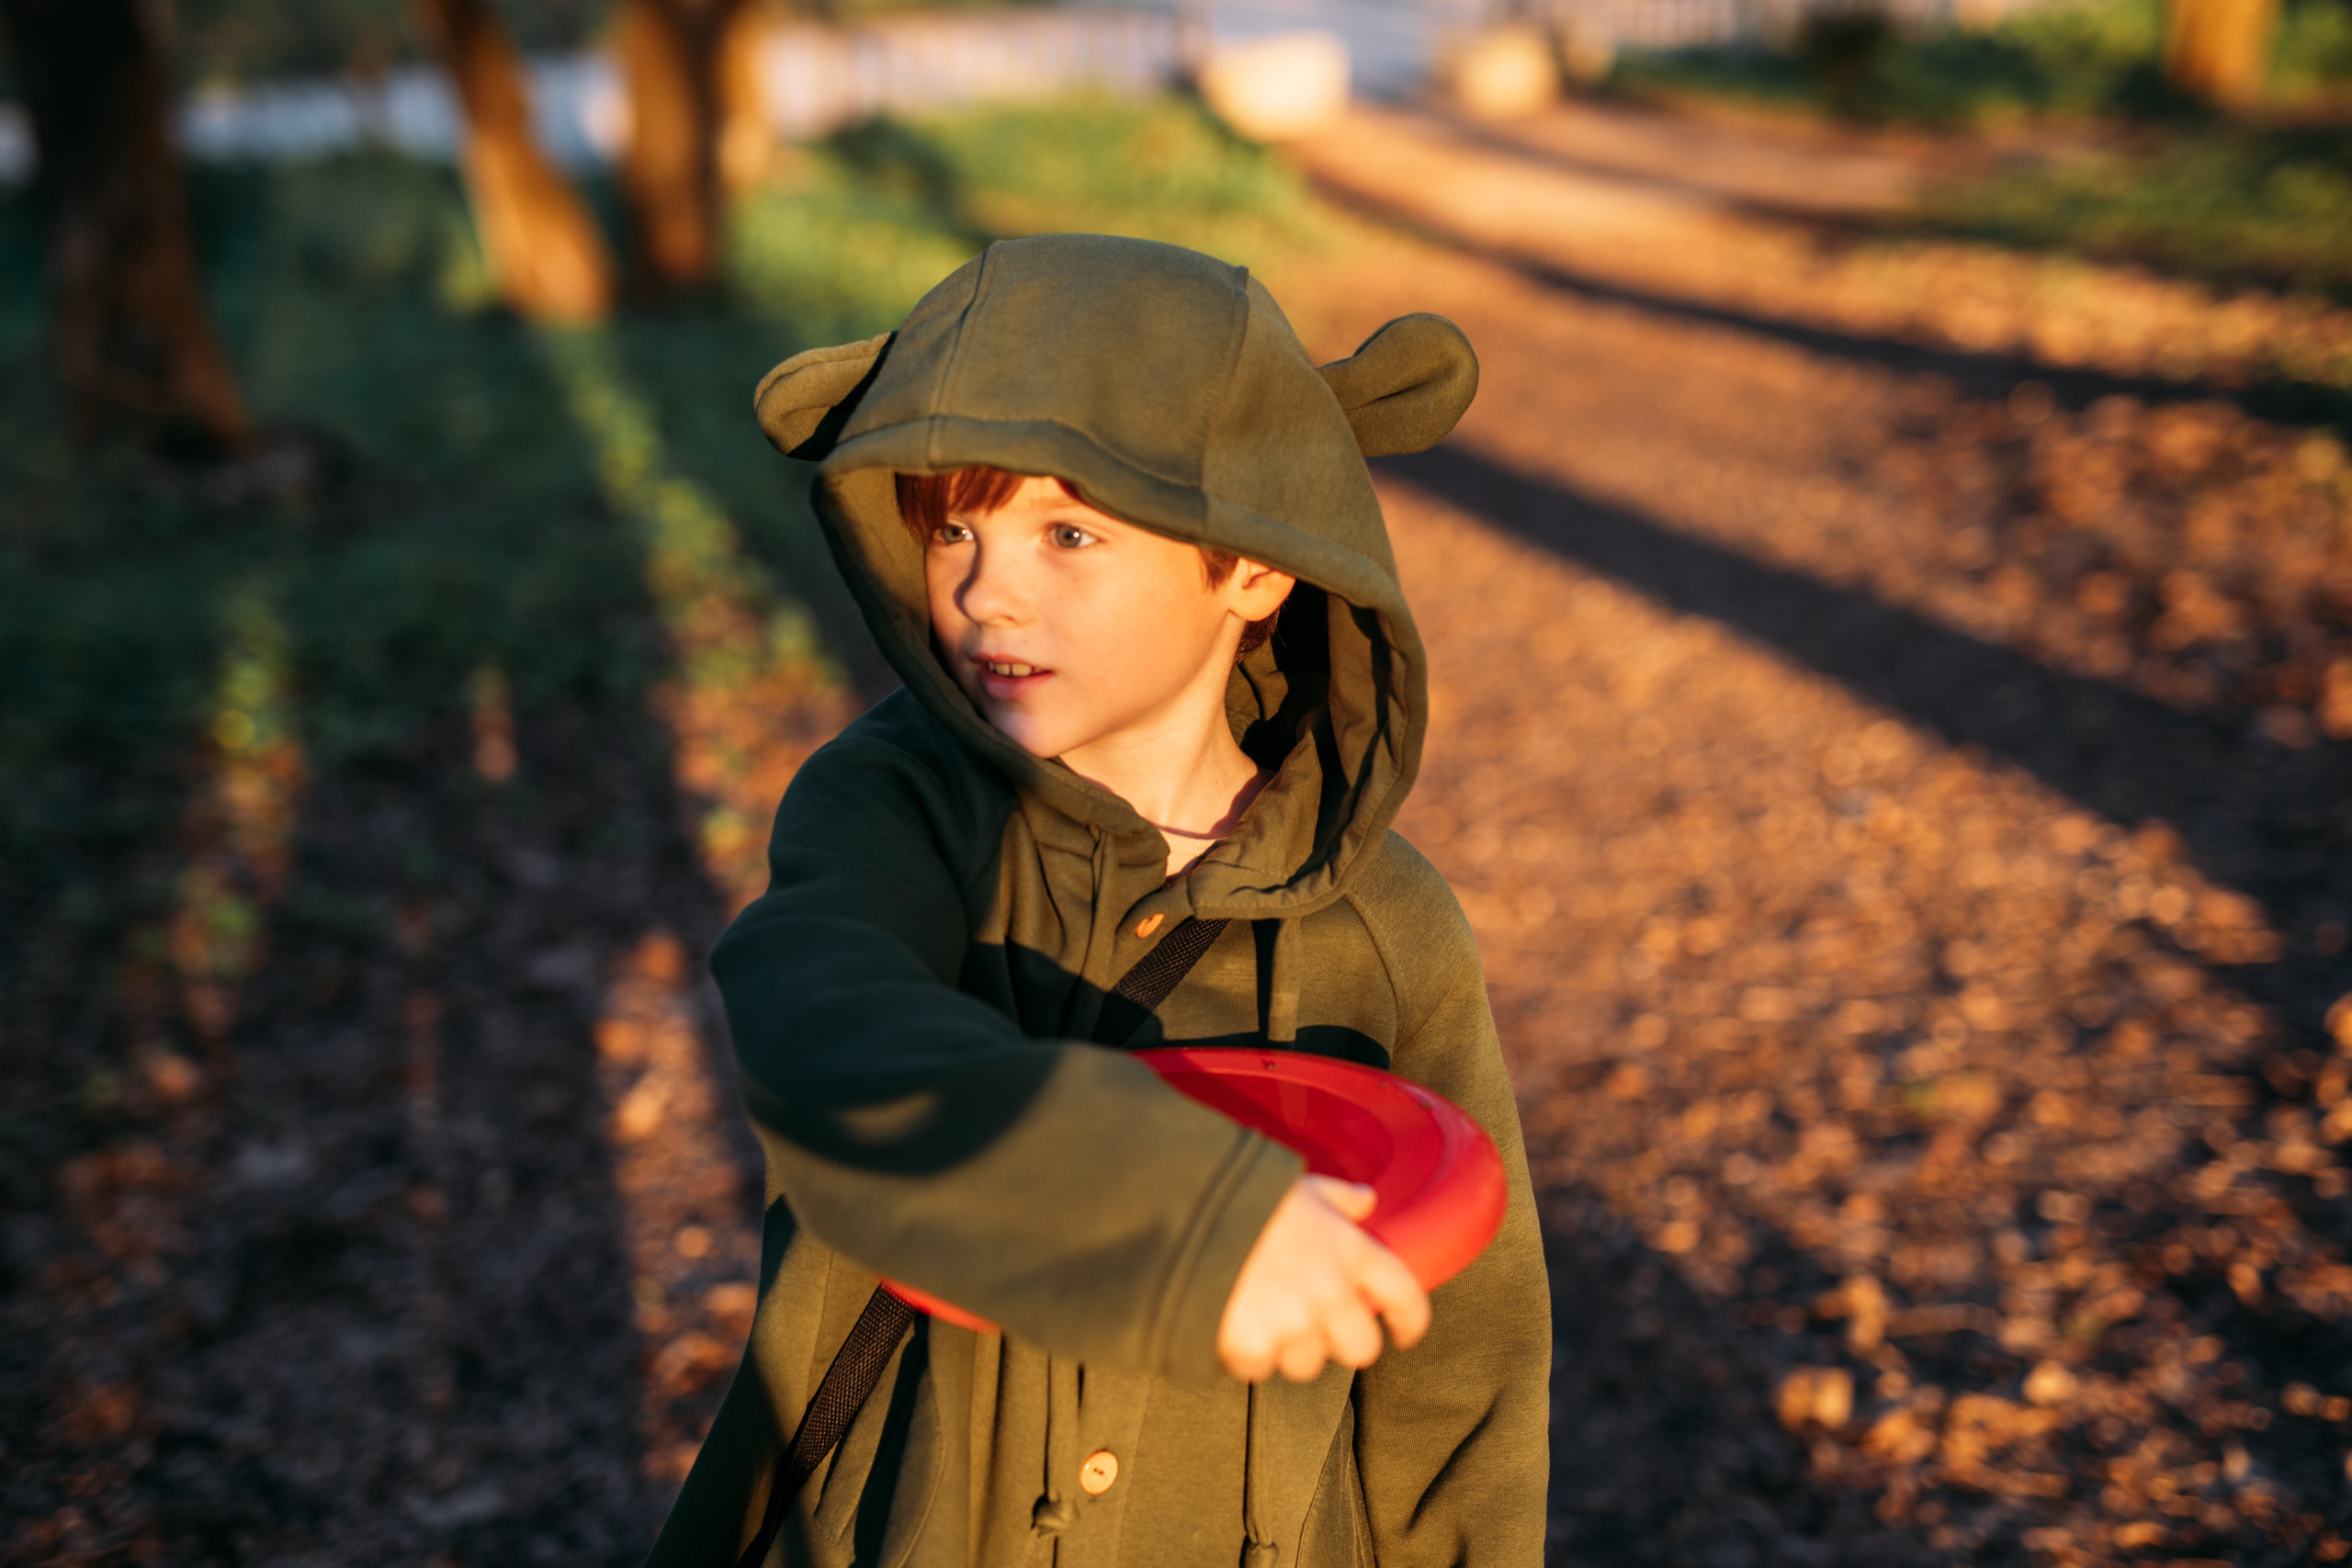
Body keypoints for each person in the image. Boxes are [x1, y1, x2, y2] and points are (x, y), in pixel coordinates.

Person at [646, 233, 1548, 1568]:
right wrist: (1173, 1215)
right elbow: (824, 1021)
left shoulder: (1387, 929)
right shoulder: (896, 815)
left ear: (1250, 564)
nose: (986, 587)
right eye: (955, 524)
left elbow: (1464, 1361)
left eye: (1069, 532)